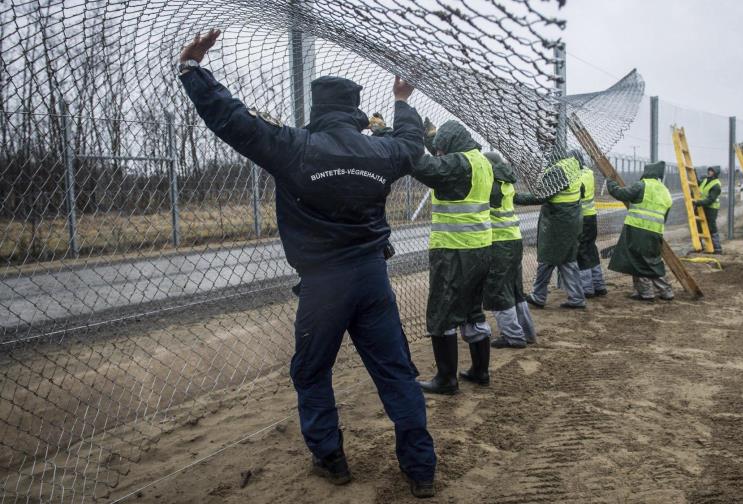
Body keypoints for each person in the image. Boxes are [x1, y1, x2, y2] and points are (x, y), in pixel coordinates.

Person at [177, 30, 436, 498]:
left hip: (323, 287)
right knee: (396, 372)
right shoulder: (382, 152)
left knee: (312, 372)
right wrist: (402, 101)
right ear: (356, 110)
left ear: (316, 109)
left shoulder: (293, 146)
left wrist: (194, 71)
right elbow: (412, 143)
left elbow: (231, 119)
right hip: (372, 278)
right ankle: (420, 470)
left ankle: (331, 458)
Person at [412, 120, 493, 395]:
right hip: (480, 249)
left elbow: (426, 166)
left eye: (441, 149)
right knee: (472, 311)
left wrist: (395, 135)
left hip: (454, 251)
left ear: (451, 148)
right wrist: (430, 137)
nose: (439, 154)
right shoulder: (479, 160)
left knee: (442, 312)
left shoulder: (458, 164)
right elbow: (442, 162)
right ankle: (480, 371)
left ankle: (446, 379)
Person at [482, 152, 537, 350]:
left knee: (498, 289)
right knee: (514, 289)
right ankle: (527, 332)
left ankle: (513, 336)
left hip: (499, 243)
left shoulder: (491, 186)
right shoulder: (506, 181)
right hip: (513, 240)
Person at [516, 151, 586, 309]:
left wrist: (514, 197)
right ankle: (574, 297)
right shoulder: (573, 168)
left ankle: (540, 296)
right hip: (569, 219)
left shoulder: (558, 171)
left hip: (558, 223)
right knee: (565, 260)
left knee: (550, 260)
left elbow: (540, 196)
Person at [607, 161, 675, 301]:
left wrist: (610, 182)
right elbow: (664, 217)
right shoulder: (665, 191)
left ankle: (648, 292)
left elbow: (621, 193)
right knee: (651, 261)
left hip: (637, 229)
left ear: (648, 172)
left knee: (639, 261)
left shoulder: (642, 185)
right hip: (655, 232)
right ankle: (662, 291)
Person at [576, 159, 608, 297]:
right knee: (591, 249)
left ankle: (587, 288)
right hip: (591, 216)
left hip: (581, 218)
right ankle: (599, 284)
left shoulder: (576, 176)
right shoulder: (589, 173)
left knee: (581, 251)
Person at [694, 165, 722, 253]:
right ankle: (700, 246)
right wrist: (693, 173)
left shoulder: (716, 185)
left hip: (711, 208)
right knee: (699, 226)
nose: (709, 172)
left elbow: (710, 200)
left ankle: (717, 248)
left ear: (715, 173)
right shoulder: (706, 180)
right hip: (703, 206)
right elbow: (697, 183)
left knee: (711, 227)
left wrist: (698, 203)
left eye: (711, 171)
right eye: (709, 170)